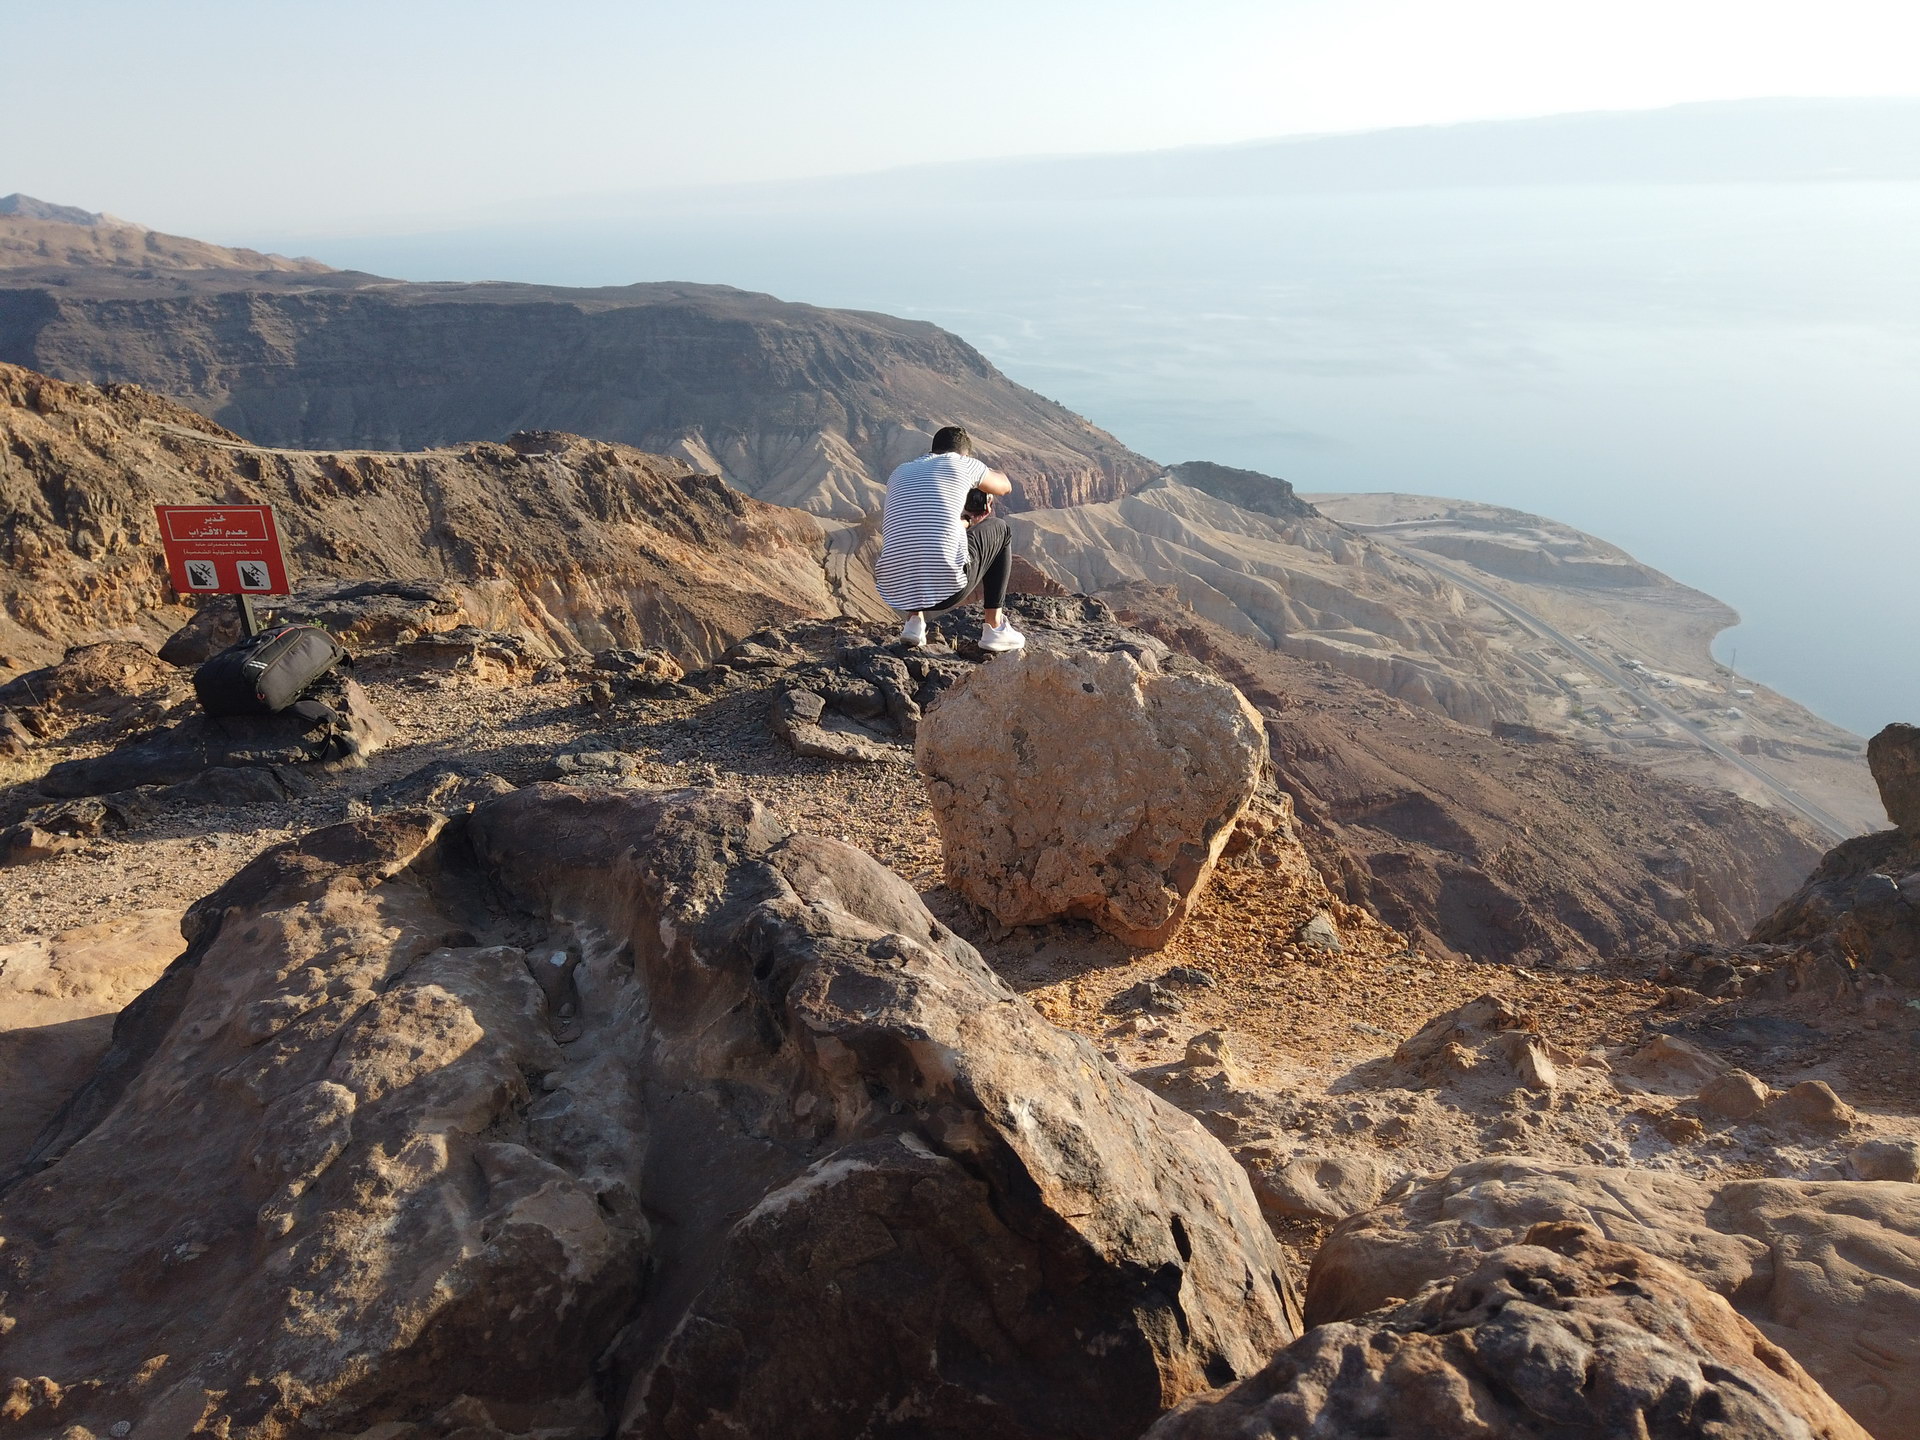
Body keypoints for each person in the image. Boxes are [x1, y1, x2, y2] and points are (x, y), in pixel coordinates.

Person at [873, 426, 1026, 652]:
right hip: (950, 589)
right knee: (1000, 529)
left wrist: (969, 521)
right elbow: (1004, 486)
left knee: (916, 537)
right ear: (965, 454)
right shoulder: (964, 463)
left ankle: (914, 623)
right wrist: (985, 473)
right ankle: (994, 629)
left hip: (896, 590)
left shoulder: (900, 472)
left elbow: (929, 523)